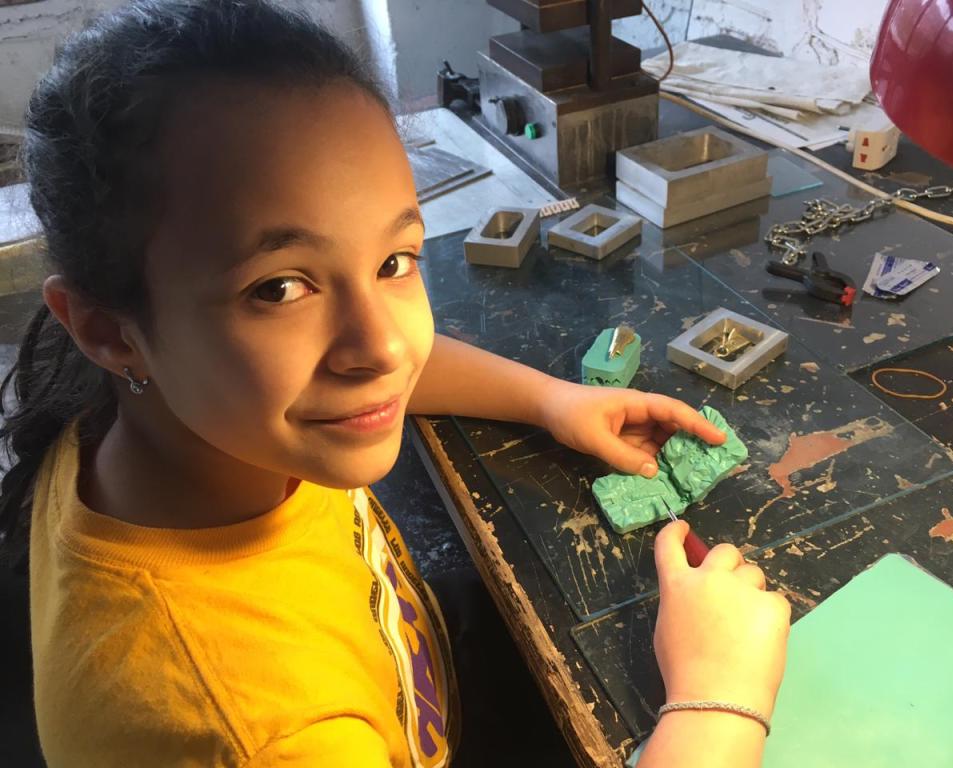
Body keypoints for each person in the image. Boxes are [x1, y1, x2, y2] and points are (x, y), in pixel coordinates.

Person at [0, 1, 790, 765]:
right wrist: (718, 700)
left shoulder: (149, 417)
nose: (382, 347)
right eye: (279, 288)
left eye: (393, 262)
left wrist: (554, 399)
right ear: (107, 330)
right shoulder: (260, 732)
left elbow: (390, 363)